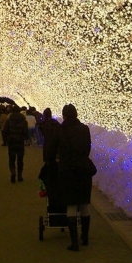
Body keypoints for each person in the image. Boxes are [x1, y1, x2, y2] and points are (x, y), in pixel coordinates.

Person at [45, 104, 92, 251]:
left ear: (64, 115)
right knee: (84, 203)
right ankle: (85, 237)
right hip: (84, 169)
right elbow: (87, 148)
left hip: (67, 170)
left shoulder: (59, 130)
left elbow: (50, 151)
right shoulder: (84, 129)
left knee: (71, 204)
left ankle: (74, 242)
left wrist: (52, 163)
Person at [2, 106, 29, 183]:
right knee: (20, 159)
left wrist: (7, 139)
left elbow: (5, 130)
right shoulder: (23, 120)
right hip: (20, 141)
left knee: (12, 158)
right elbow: (26, 132)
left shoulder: (9, 120)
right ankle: (20, 175)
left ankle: (13, 172)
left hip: (11, 141)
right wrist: (25, 138)